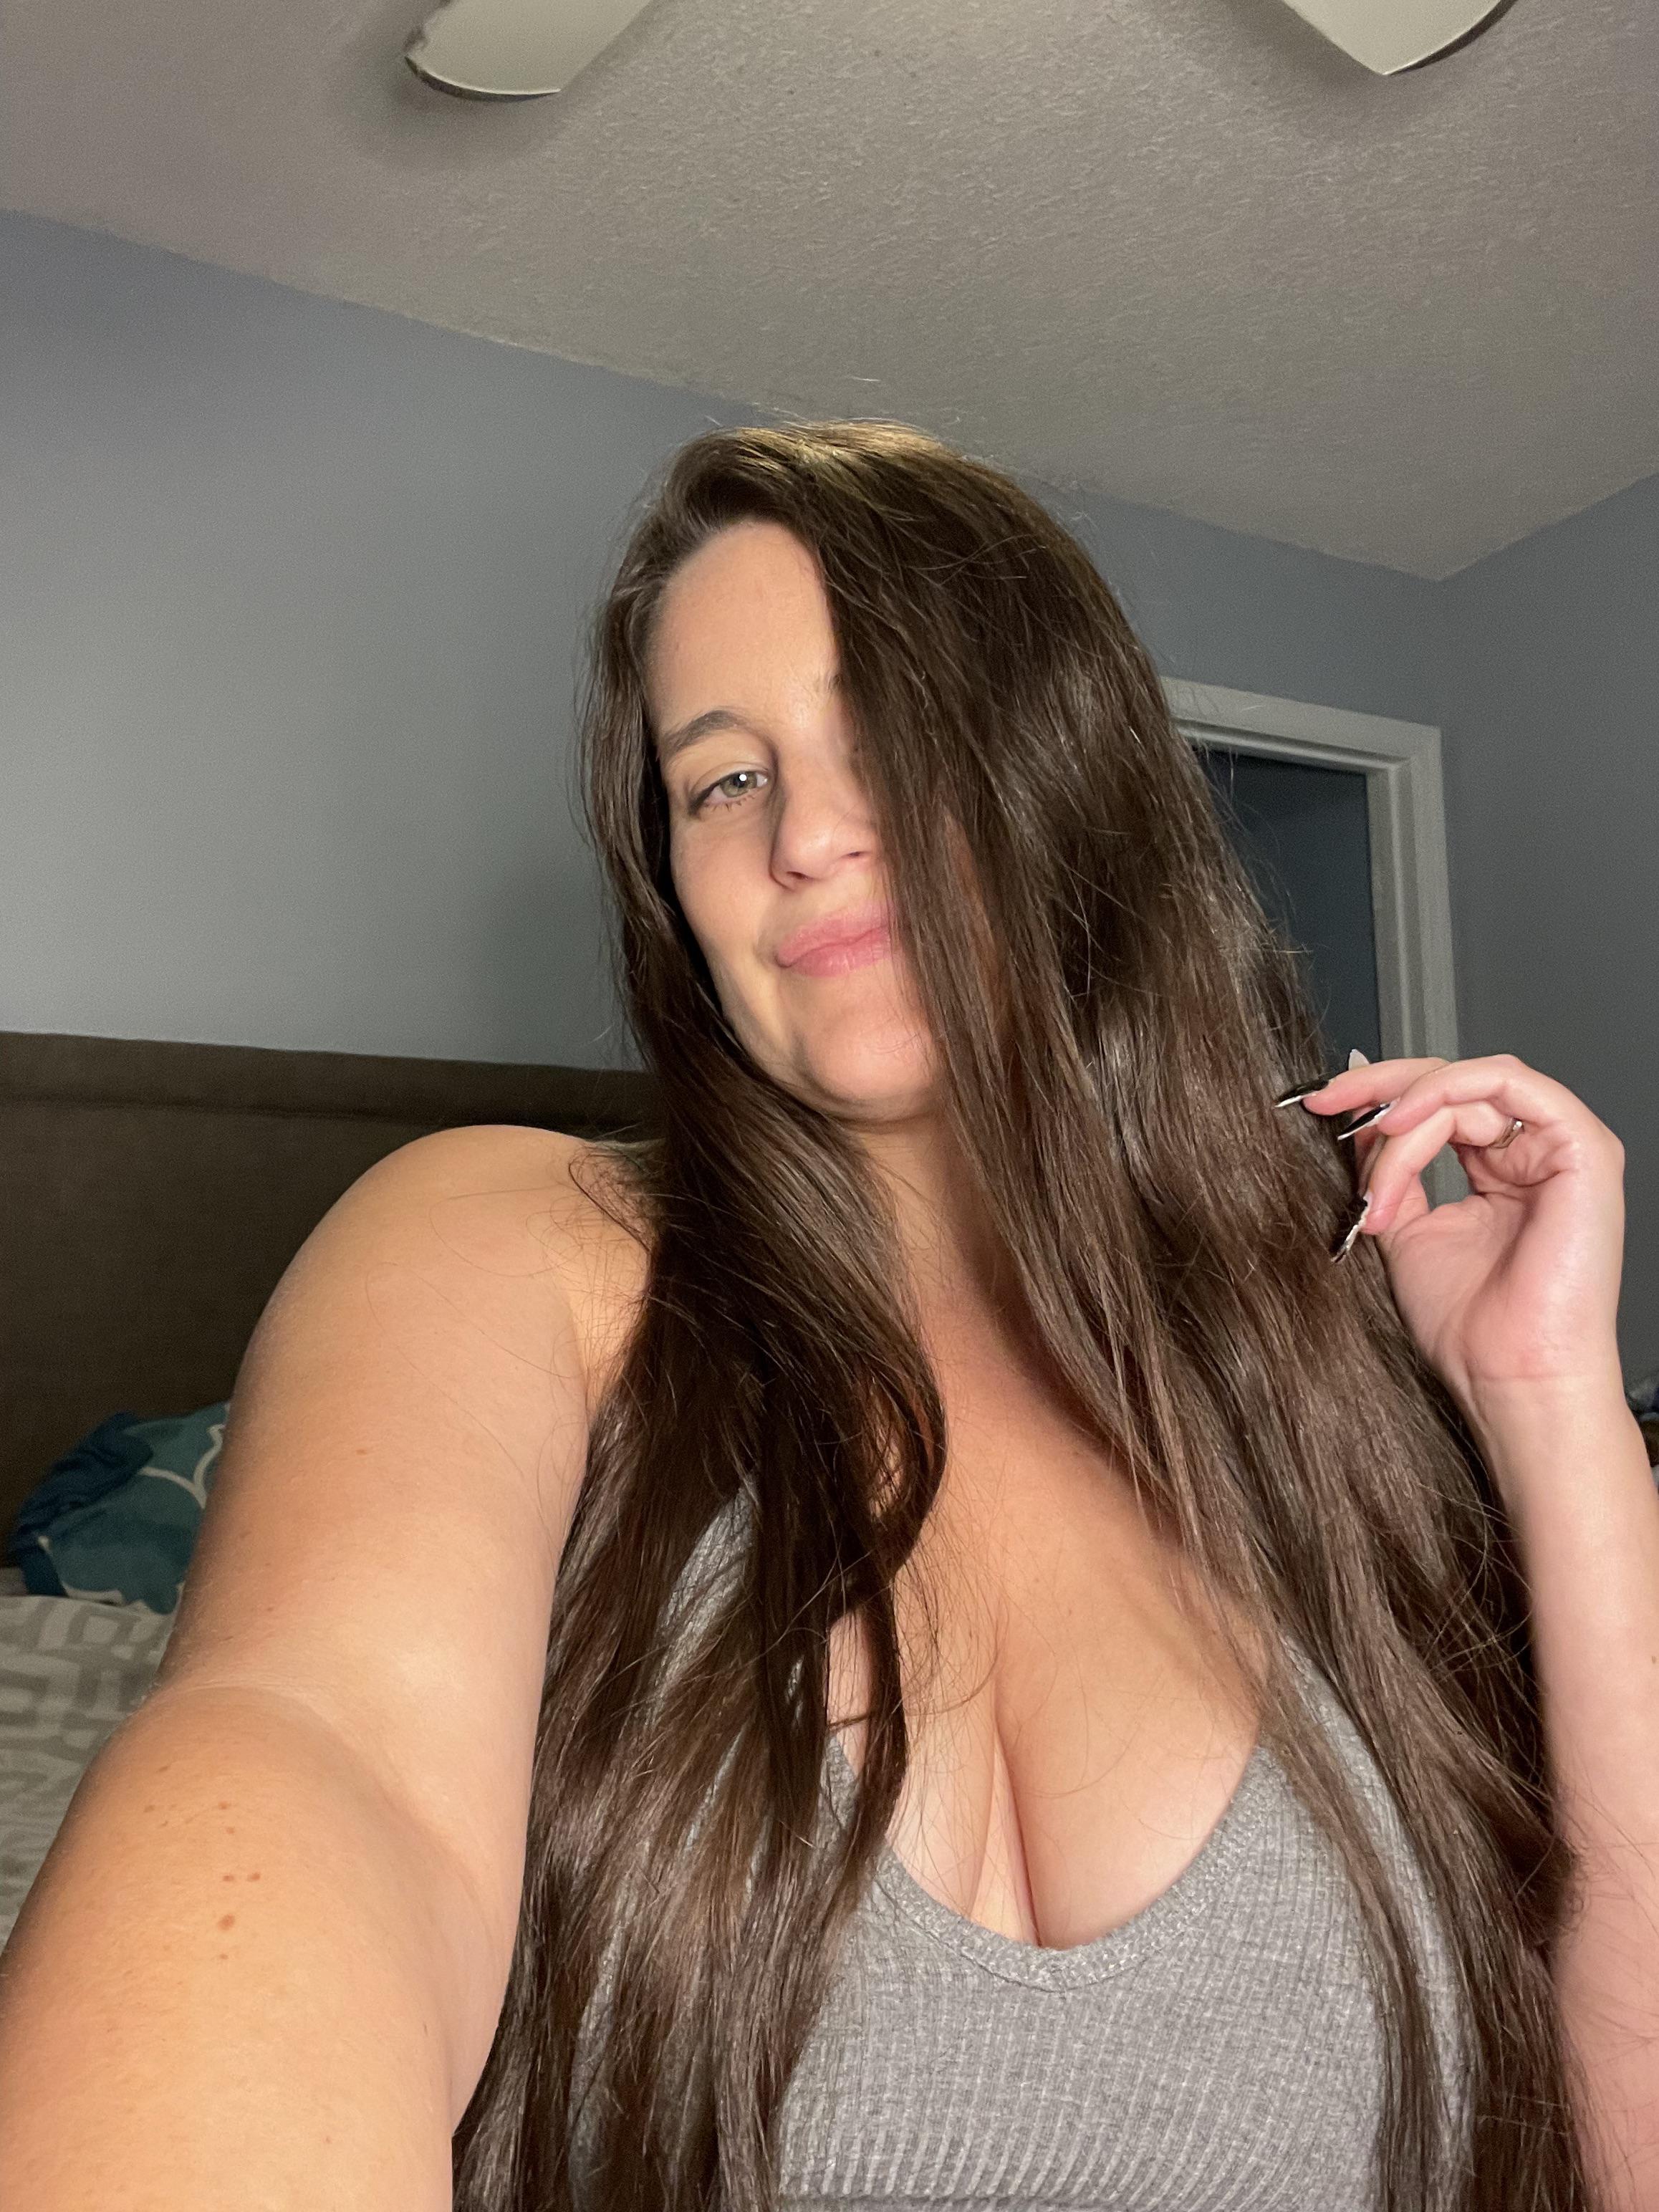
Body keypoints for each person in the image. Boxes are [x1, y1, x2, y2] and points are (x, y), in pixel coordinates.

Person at [0, 420, 1647, 2212]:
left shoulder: (1312, 1352)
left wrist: (1548, 1396)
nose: (808, 834)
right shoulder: (515, 1243)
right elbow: (321, 1763)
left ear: (1065, 768)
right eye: (723, 779)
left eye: (885, 732)